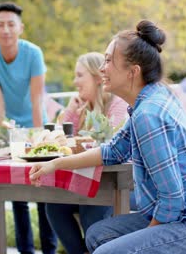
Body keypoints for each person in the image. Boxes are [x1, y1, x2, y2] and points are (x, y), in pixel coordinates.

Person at [29, 20, 186, 254]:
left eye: (108, 61)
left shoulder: (149, 115)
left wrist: (146, 240)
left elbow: (172, 199)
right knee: (97, 234)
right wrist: (55, 163)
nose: (102, 68)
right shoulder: (145, 102)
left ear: (133, 71)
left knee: (106, 251)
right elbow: (112, 152)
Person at [0, 2, 56, 254]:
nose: (6, 30)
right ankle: (25, 250)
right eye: (0, 24)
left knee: (44, 188)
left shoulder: (33, 53)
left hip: (35, 123)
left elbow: (37, 99)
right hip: (10, 127)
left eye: (11, 24)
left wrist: (39, 140)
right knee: (18, 194)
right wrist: (2, 133)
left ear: (20, 28)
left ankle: (49, 249)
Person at [47, 52, 128, 254]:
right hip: (92, 183)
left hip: (123, 184)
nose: (75, 82)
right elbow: (62, 142)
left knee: (91, 203)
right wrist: (70, 111)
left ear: (96, 77)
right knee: (54, 204)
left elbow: (112, 144)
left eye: (79, 75)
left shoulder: (117, 104)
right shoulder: (82, 107)